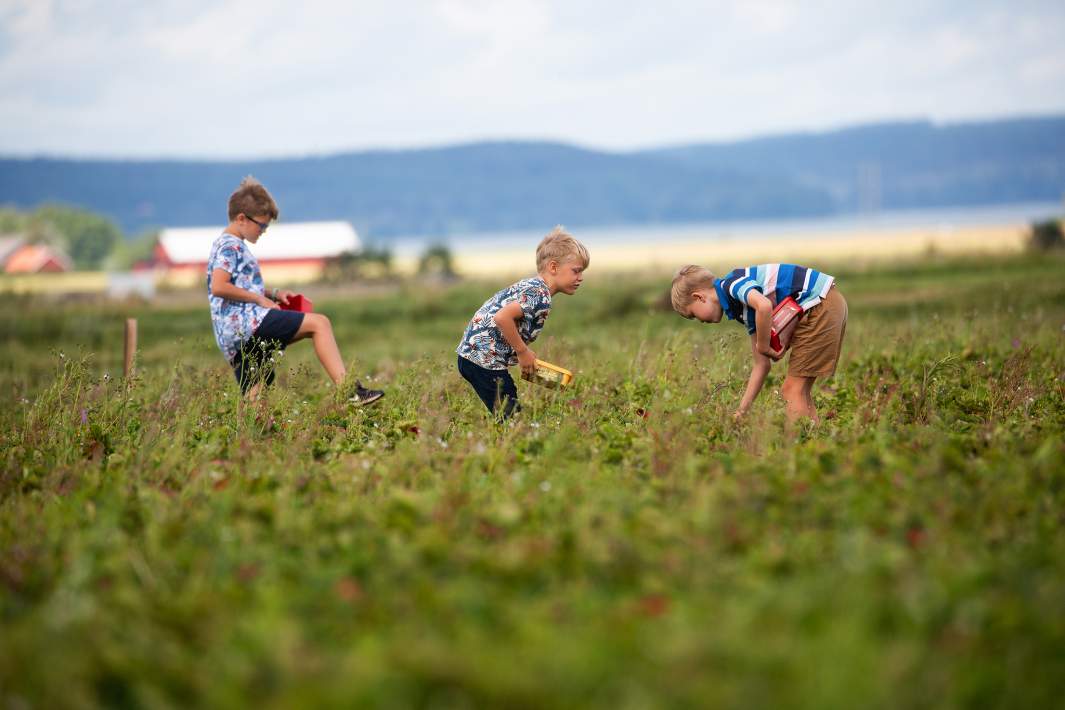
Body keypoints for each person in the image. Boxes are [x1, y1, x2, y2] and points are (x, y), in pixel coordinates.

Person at [206, 176, 383, 405]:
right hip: (246, 325)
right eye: (261, 225)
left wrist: (274, 294)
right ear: (242, 218)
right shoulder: (230, 246)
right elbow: (219, 287)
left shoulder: (227, 244)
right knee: (320, 324)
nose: (263, 231)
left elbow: (238, 284)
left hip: (234, 337)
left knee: (257, 397)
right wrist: (260, 300)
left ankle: (251, 438)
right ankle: (350, 392)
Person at [670, 263, 847, 422]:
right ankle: (813, 440)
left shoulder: (732, 284)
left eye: (693, 314)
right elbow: (762, 365)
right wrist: (741, 411)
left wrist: (763, 344)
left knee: (791, 390)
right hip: (826, 302)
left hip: (821, 304)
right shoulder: (744, 311)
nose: (699, 321)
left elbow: (764, 306)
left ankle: (800, 446)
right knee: (800, 391)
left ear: (699, 297)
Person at [456, 226, 589, 419]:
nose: (580, 278)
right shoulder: (540, 296)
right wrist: (522, 351)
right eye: (576, 271)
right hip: (482, 361)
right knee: (511, 418)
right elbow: (502, 317)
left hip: (472, 356)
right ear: (553, 267)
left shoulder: (532, 286)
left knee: (507, 410)